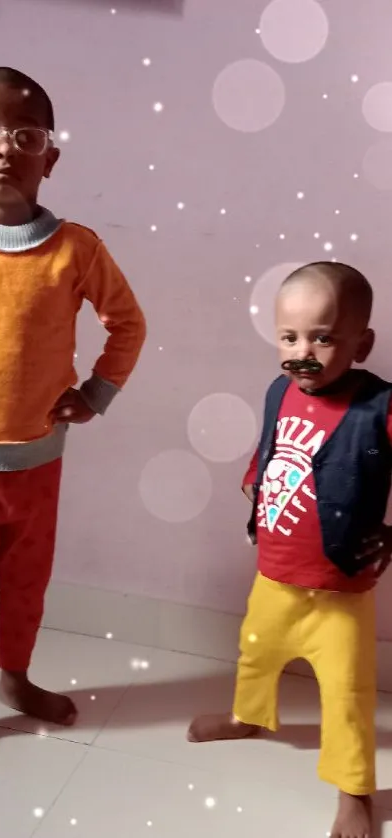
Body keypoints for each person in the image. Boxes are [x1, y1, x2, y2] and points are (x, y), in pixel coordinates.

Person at [188, 261, 392, 838]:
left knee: (348, 695)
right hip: (275, 574)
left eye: (323, 338)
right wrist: (255, 474)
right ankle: (247, 716)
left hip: (339, 590)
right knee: (255, 651)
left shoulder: (380, 407)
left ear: (362, 343)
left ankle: (354, 789)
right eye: (290, 337)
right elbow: (273, 442)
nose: (303, 352)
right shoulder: (280, 388)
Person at [0, 67, 146, 726]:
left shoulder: (75, 249)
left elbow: (128, 323)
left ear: (49, 159)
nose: (2, 147)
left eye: (24, 136)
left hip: (38, 466)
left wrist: (95, 394)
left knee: (26, 587)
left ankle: (14, 680)